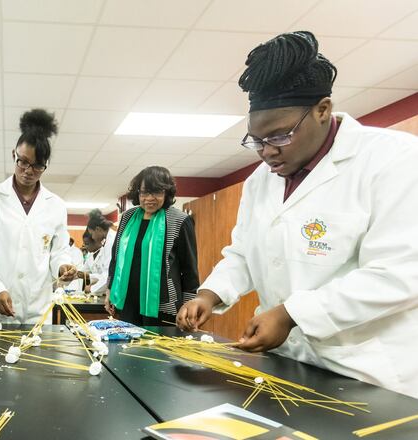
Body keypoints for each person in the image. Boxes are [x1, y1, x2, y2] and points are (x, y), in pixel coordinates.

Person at [176, 31, 418, 399]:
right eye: (256, 141)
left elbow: (399, 274)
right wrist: (209, 294)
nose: (266, 153)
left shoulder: (395, 159)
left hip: (369, 374)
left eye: (279, 136)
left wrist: (291, 314)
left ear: (323, 110)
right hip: (291, 362)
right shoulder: (261, 180)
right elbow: (244, 251)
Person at [0, 109, 77, 324]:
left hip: (37, 311)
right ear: (13, 154)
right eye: (22, 161)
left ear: (46, 165)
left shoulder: (56, 206)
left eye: (37, 166)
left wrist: (63, 266)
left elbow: (58, 251)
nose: (28, 171)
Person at [106, 166, 199, 326]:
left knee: (156, 350)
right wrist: (109, 291)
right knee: (128, 348)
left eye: (156, 192)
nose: (149, 198)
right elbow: (116, 258)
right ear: (138, 193)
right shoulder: (128, 217)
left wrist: (189, 307)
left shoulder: (180, 220)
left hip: (163, 306)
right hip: (126, 301)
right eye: (144, 192)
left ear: (166, 193)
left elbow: (190, 270)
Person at [84, 209, 117, 295]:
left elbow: (108, 274)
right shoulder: (107, 241)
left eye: (92, 234)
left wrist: (92, 289)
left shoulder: (112, 241)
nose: (93, 237)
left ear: (98, 229)